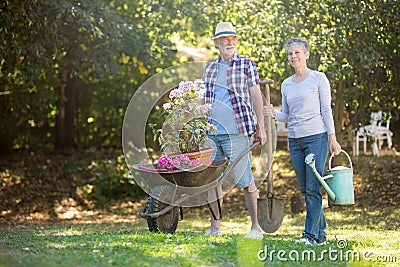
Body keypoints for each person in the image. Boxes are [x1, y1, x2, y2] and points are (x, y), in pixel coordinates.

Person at [264, 37, 341, 245]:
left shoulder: (318, 79)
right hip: (295, 140)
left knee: (313, 187)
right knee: (306, 188)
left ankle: (309, 235)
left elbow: (326, 110)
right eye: (290, 54)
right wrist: (274, 113)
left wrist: (332, 138)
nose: (293, 56)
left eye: (297, 52)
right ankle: (321, 236)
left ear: (306, 54)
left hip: (316, 137)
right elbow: (287, 114)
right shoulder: (286, 84)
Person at [202, 22, 267, 239]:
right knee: (212, 180)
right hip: (212, 132)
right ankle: (215, 228)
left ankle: (256, 228)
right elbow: (206, 101)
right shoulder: (210, 68)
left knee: (245, 180)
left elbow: (256, 96)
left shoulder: (247, 65)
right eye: (225, 39)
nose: (230, 42)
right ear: (217, 43)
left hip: (238, 131)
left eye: (233, 38)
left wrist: (261, 127)